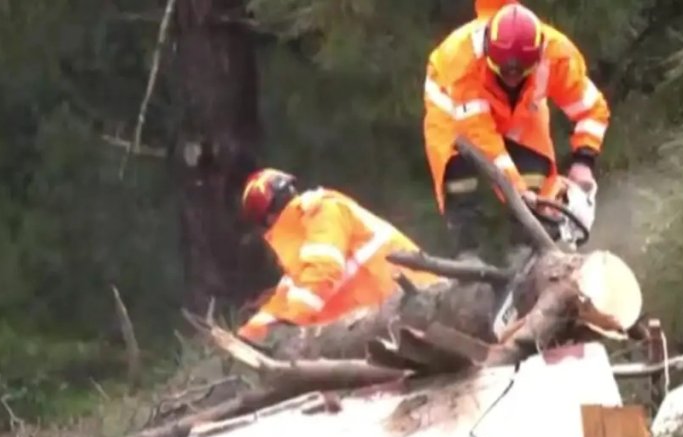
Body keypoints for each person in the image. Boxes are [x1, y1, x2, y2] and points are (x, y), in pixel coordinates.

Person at [422, 2, 611, 262]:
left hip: (520, 113)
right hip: (455, 113)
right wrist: (518, 191)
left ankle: (527, 253)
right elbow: (484, 142)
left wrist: (584, 162)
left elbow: (592, 109)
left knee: (536, 176)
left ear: (537, 57)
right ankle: (468, 255)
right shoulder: (463, 65)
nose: (511, 80)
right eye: (504, 72)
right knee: (460, 178)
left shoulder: (558, 57)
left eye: (520, 73)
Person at [236, 168, 440, 343]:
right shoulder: (307, 234)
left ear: (268, 219)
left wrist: (291, 319)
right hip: (393, 313)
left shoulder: (323, 211)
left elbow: (323, 270)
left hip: (416, 305)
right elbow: (288, 295)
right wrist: (249, 334)